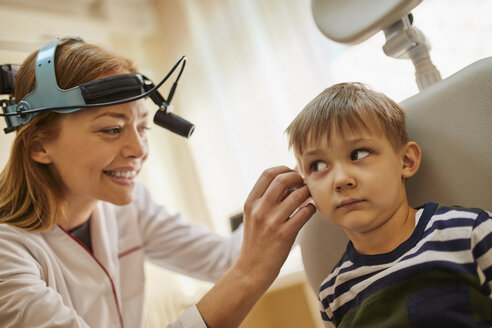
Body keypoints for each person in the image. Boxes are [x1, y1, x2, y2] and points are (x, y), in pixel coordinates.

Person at [0, 38, 316, 328]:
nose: (139, 150)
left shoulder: (130, 205)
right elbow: (243, 267)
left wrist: (312, 181)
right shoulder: (7, 251)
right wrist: (248, 275)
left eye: (142, 127)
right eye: (111, 129)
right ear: (39, 146)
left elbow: (224, 259)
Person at [285, 82, 492, 327]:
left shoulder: (470, 234)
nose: (340, 179)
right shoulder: (333, 295)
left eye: (358, 154)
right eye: (317, 166)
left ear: (405, 160)